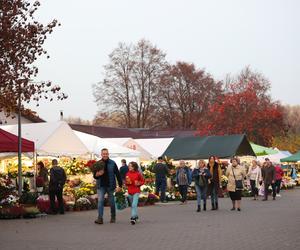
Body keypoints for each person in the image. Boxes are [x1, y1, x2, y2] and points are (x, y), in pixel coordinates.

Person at [94, 148, 122, 224]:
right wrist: (97, 175)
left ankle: (113, 216)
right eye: (104, 154)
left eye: (106, 154)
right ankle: (100, 218)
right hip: (101, 186)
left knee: (112, 202)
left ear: (108, 154)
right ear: (101, 154)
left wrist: (120, 185)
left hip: (110, 186)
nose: (105, 155)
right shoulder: (98, 163)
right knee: (100, 201)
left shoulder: (112, 163)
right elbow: (95, 176)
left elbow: (118, 174)